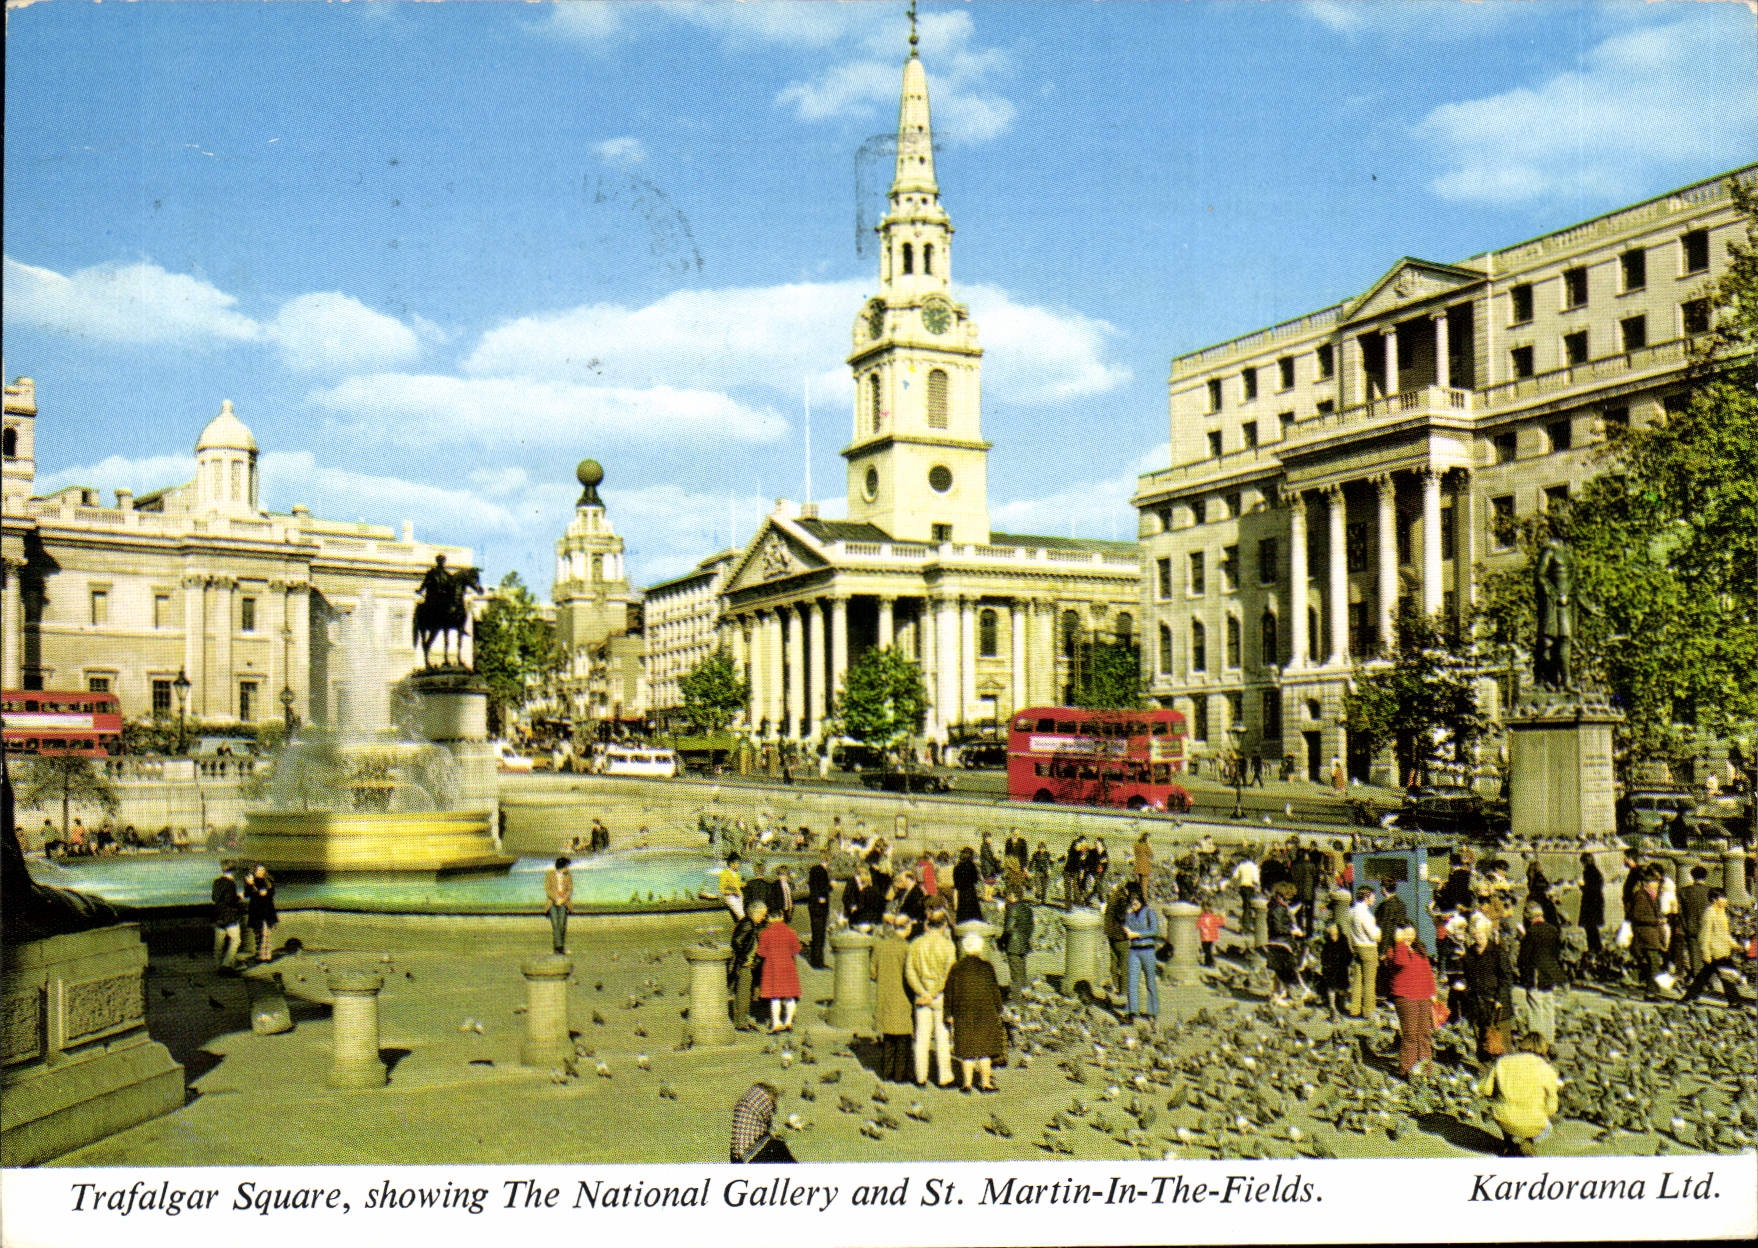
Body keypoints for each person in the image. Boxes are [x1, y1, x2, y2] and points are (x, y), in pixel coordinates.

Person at [1477, 1033, 1561, 1157]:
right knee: (1548, 1127)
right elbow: (1551, 1108)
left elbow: (1485, 1089)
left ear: (1523, 1044)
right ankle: (1528, 1141)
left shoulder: (1502, 1062)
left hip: (1504, 1117)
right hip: (1533, 1122)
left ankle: (1509, 1142)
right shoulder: (1548, 1070)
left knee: (1501, 1108)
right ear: (1544, 1049)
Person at [943, 931, 1004, 1094]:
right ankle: (985, 1083)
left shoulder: (956, 968)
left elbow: (949, 993)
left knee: (967, 1051)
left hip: (963, 1013)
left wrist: (948, 1013)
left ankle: (967, 1083)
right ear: (980, 948)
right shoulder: (987, 967)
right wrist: (999, 1009)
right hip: (985, 1013)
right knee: (985, 1051)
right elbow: (994, 990)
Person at [904, 908, 958, 1088]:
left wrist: (922, 992)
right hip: (939, 995)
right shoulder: (948, 945)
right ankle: (944, 1076)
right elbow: (947, 974)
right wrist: (933, 992)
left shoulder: (915, 943)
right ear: (944, 926)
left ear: (927, 924)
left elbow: (909, 971)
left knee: (921, 1036)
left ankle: (921, 1076)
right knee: (942, 1037)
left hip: (921, 995)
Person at [1678, 889, 1749, 1007]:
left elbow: (1724, 934)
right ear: (1714, 900)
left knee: (1705, 976)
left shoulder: (1722, 912)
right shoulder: (1709, 913)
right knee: (1726, 975)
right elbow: (1704, 935)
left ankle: (1688, 997)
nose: (1725, 900)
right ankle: (1734, 1000)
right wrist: (1705, 953)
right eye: (1722, 898)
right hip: (1715, 951)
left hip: (1723, 950)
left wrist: (1735, 946)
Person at [1463, 913, 1513, 1063]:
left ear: (1487, 932)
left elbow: (1506, 978)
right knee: (1482, 1045)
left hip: (1497, 1006)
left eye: (1481, 932)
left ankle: (1505, 1080)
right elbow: (1467, 978)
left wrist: (1499, 999)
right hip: (1478, 1005)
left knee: (1502, 1045)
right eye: (1475, 933)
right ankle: (1485, 1078)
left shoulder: (1498, 953)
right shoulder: (1469, 954)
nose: (1478, 936)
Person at [1386, 926, 1436, 1077]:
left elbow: (1427, 972)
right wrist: (1399, 943)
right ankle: (1407, 1070)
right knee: (1411, 1035)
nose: (1409, 937)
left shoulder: (1420, 951)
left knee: (1425, 1033)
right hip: (1406, 997)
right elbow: (1401, 963)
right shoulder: (1394, 951)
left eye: (1412, 934)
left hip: (1423, 997)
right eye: (1405, 934)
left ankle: (1425, 1070)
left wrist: (1432, 992)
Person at [871, 914, 916, 1082]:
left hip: (885, 996)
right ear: (906, 927)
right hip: (902, 996)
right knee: (903, 1039)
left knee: (888, 1037)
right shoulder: (907, 948)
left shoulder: (880, 945)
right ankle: (900, 1074)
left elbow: (872, 972)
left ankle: (886, 1072)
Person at [1516, 903, 1565, 1045]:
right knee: (1548, 1008)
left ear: (1528, 916)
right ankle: (1549, 1042)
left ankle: (1537, 1044)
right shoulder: (1553, 930)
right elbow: (1556, 954)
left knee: (1535, 1010)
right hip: (1549, 975)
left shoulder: (1531, 933)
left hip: (1535, 977)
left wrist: (1523, 938)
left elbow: (1524, 958)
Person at [756, 905, 803, 1032]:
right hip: (788, 966)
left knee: (775, 997)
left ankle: (776, 1022)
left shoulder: (765, 933)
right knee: (790, 996)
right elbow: (796, 950)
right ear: (782, 916)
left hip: (772, 967)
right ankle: (788, 1021)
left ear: (769, 918)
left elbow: (761, 953)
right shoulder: (791, 932)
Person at [1628, 868, 1670, 998]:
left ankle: (1653, 989)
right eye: (1655, 882)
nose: (1657, 884)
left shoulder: (1652, 895)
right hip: (1646, 934)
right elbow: (1637, 916)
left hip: (1652, 934)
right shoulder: (1641, 896)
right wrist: (1656, 921)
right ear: (1648, 883)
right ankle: (1651, 991)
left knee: (1653, 962)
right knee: (1653, 962)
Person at [729, 1083, 796, 1164]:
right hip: (757, 1155)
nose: (773, 1110)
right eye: (772, 1105)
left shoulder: (736, 1152)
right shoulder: (772, 1147)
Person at [1123, 889, 1160, 1025]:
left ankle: (1152, 1011)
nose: (1134, 905)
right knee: (1132, 981)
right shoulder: (1130, 914)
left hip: (1148, 949)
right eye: (1132, 903)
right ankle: (1131, 1011)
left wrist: (1138, 934)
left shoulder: (1149, 912)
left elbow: (1155, 930)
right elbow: (1126, 927)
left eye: (1136, 903)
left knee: (1150, 981)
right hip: (1134, 949)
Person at [728, 901, 766, 1031]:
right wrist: (744, 958)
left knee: (745, 992)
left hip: (746, 965)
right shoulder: (748, 924)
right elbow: (736, 941)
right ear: (756, 913)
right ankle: (740, 1022)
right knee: (743, 993)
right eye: (762, 914)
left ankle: (743, 1019)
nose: (764, 917)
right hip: (743, 965)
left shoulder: (750, 923)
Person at [1264, 884, 1304, 1005]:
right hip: (1281, 942)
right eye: (1289, 896)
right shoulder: (1278, 908)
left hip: (1278, 941)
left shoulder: (1277, 905)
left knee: (1279, 971)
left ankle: (1277, 994)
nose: (1290, 899)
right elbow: (1278, 927)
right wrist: (1292, 930)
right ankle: (1280, 995)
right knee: (1286, 970)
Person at [1347, 886, 1382, 1017]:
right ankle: (1368, 1011)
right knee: (1369, 982)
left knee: (1357, 980)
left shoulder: (1351, 911)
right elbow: (1374, 935)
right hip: (1368, 948)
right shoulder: (1365, 914)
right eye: (1373, 896)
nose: (1374, 899)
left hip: (1356, 947)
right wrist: (1379, 933)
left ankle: (1354, 1009)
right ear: (1366, 898)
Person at [1676, 865, 1711, 980]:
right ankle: (1709, 980)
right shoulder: (1710, 892)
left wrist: (1684, 925)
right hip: (1708, 928)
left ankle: (1698, 980)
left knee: (1695, 957)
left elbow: (1680, 912)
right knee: (1708, 955)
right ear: (1706, 876)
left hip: (1691, 927)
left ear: (1692, 876)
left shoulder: (1684, 891)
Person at [211, 863, 244, 972]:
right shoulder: (230, 884)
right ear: (233, 872)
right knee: (236, 940)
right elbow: (230, 900)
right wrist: (238, 897)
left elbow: (214, 898)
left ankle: (217, 966)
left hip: (217, 915)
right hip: (229, 917)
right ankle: (226, 964)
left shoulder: (216, 882)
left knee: (218, 944)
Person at [1001, 885, 1034, 992]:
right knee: (1022, 970)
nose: (1006, 897)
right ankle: (1025, 992)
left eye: (1008, 895)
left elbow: (1008, 929)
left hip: (1013, 944)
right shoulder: (1027, 908)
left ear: (1012, 896)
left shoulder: (1012, 908)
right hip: (1024, 943)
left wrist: (1001, 941)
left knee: (1015, 972)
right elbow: (1031, 926)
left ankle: (1017, 997)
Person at [1103, 883, 1133, 998]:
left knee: (1114, 961)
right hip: (1120, 936)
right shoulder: (1121, 900)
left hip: (1111, 934)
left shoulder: (1112, 899)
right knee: (1124, 963)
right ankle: (1123, 990)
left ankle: (1115, 985)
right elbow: (1121, 917)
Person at [1320, 922, 1353, 1019]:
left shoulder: (1343, 941)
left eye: (1334, 934)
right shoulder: (1327, 943)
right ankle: (1332, 1006)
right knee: (1331, 988)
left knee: (1342, 987)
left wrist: (1346, 963)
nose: (1333, 937)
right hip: (1331, 968)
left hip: (1342, 967)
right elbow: (1324, 956)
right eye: (1331, 935)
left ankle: (1341, 1005)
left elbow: (1348, 954)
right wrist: (1326, 966)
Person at [806, 849, 833, 969]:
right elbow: (822, 889)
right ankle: (818, 962)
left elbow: (813, 886)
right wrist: (830, 886)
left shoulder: (813, 870)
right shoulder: (822, 872)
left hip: (812, 906)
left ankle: (815, 959)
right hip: (819, 908)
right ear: (826, 860)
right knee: (820, 935)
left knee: (816, 934)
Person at [245, 865, 277, 963]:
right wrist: (250, 884)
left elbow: (272, 893)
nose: (261, 871)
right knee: (259, 934)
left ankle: (267, 955)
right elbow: (247, 894)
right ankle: (260, 955)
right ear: (255, 871)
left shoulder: (268, 881)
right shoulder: (252, 881)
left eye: (263, 869)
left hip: (268, 910)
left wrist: (267, 893)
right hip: (256, 911)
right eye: (259, 870)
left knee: (267, 933)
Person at [1577, 852, 1606, 956]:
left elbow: (1590, 888)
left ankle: (1593, 948)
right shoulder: (1596, 871)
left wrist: (1582, 887)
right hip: (1596, 902)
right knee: (1592, 926)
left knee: (1590, 926)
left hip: (1590, 903)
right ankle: (1597, 947)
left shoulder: (1589, 872)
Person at [544, 856, 573, 955]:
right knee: (555, 924)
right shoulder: (550, 875)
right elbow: (548, 890)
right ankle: (559, 948)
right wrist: (556, 899)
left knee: (561, 924)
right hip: (552, 902)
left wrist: (563, 899)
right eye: (566, 866)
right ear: (561, 866)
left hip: (564, 902)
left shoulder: (568, 876)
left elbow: (569, 890)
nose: (567, 868)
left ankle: (559, 948)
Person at [1374, 878, 1408, 955]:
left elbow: (1386, 928)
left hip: (1387, 946)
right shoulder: (1401, 904)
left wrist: (1383, 951)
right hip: (1398, 943)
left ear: (1383, 888)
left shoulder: (1386, 906)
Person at [953, 847, 984, 925]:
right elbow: (975, 880)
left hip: (961, 893)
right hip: (970, 891)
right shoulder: (972, 866)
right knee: (973, 913)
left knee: (962, 913)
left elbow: (956, 883)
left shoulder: (957, 867)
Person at [1231, 853, 1260, 925]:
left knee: (1245, 905)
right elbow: (1255, 879)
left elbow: (1235, 876)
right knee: (1248, 906)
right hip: (1250, 886)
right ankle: (1246, 925)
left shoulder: (1240, 865)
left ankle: (1246, 922)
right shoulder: (1253, 866)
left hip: (1242, 886)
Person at [1196, 899, 1223, 968]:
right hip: (1212, 937)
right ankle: (1209, 962)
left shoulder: (1202, 917)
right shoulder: (1213, 916)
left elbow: (1197, 925)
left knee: (1206, 950)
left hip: (1204, 937)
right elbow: (1220, 923)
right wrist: (1222, 916)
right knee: (1208, 949)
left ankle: (1210, 962)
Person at [719, 854, 746, 921]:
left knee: (741, 915)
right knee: (742, 916)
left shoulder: (737, 873)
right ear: (731, 863)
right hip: (730, 897)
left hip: (739, 897)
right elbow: (722, 889)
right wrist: (733, 892)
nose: (739, 865)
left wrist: (743, 884)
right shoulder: (724, 873)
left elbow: (737, 884)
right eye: (737, 863)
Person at [1029, 841, 1053, 905]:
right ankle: (1038, 895)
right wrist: (1030, 871)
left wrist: (1049, 869)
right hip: (1038, 871)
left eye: (1043, 848)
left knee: (1044, 887)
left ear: (1045, 848)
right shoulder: (1035, 854)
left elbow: (1051, 862)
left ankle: (1043, 901)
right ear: (1038, 848)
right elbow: (1031, 862)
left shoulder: (1048, 854)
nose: (1041, 850)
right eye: (1040, 848)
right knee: (1038, 886)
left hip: (1045, 872)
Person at [1133, 832, 1155, 899]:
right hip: (1145, 868)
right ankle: (1144, 899)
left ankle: (1138, 898)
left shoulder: (1136, 845)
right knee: (1144, 886)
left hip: (1137, 866)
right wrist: (1149, 846)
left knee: (1139, 884)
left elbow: (1136, 853)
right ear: (1146, 839)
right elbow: (1151, 855)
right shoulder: (1146, 846)